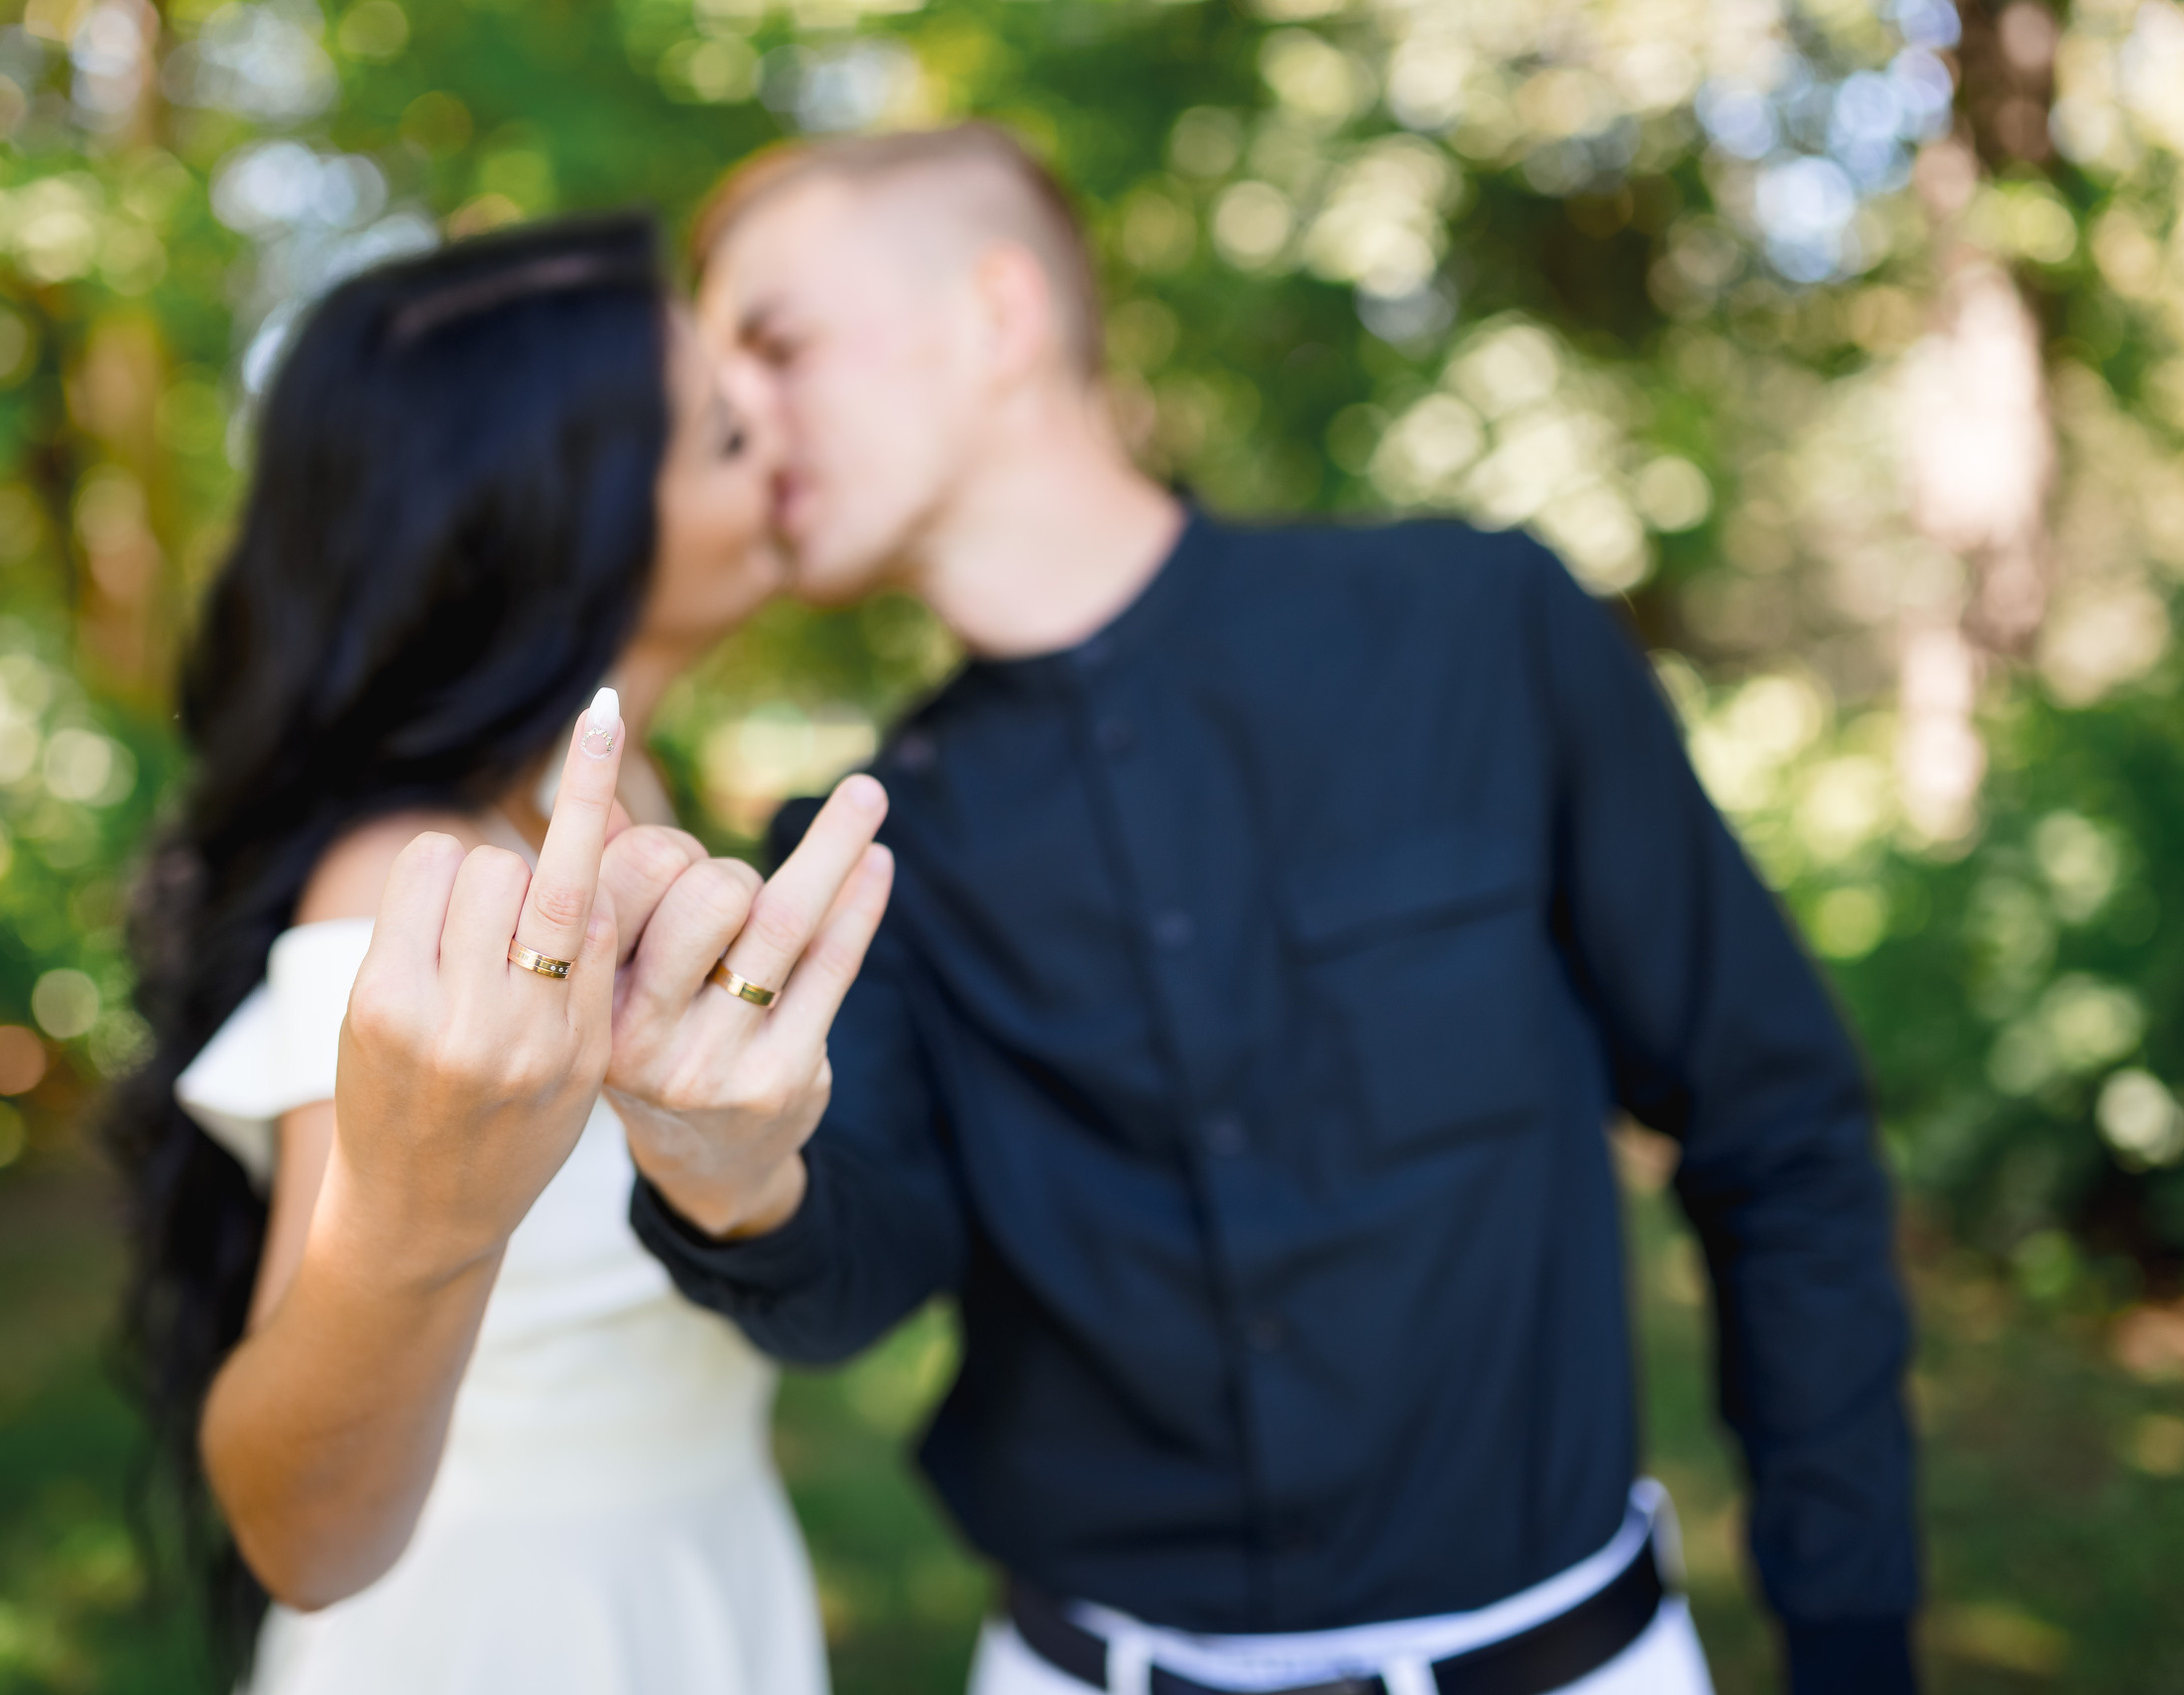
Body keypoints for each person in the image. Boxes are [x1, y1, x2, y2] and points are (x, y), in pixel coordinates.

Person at [595, 125, 1921, 1695]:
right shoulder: (855, 844)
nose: (735, 407)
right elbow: (853, 1272)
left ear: (998, 316)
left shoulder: (1478, 631)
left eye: (778, 341)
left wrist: (1850, 1632)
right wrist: (725, 1171)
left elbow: (1779, 1132)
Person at [108, 214, 887, 1695]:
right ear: (576, 525)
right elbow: (301, 1530)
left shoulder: (628, 804)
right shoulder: (420, 888)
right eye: (725, 431)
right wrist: (416, 1216)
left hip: (705, 1572)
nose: (779, 432)